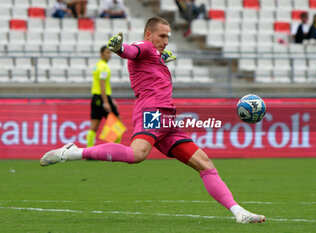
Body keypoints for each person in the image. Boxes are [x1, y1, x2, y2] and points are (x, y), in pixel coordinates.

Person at [40, 16, 265, 224]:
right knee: (136, 154)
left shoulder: (155, 55)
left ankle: (239, 212)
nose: (166, 41)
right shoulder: (145, 47)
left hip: (168, 120)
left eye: (168, 37)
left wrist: (161, 59)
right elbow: (131, 50)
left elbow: (146, 60)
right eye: (162, 36)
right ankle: (72, 152)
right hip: (152, 112)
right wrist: (119, 48)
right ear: (149, 34)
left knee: (205, 164)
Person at [86, 45, 121, 147]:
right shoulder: (104, 68)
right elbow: (102, 85)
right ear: (101, 54)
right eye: (107, 53)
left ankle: (89, 152)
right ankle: (115, 150)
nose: (109, 55)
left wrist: (111, 100)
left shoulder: (98, 65)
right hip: (102, 98)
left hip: (96, 98)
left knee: (94, 127)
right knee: (117, 124)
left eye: (110, 53)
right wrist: (106, 102)